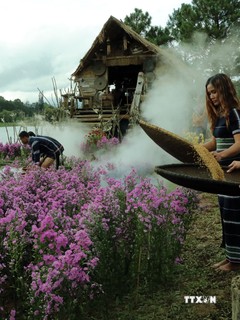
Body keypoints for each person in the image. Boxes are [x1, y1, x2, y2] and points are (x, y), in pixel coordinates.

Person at [203, 73, 240, 271]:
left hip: (234, 173)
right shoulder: (219, 116)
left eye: (215, 92)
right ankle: (230, 257)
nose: (212, 97)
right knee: (225, 214)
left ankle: (236, 262)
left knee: (235, 215)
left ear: (224, 90)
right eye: (209, 94)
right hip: (222, 174)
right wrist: (198, 148)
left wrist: (222, 155)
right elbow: (215, 142)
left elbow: (239, 144)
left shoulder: (234, 113)